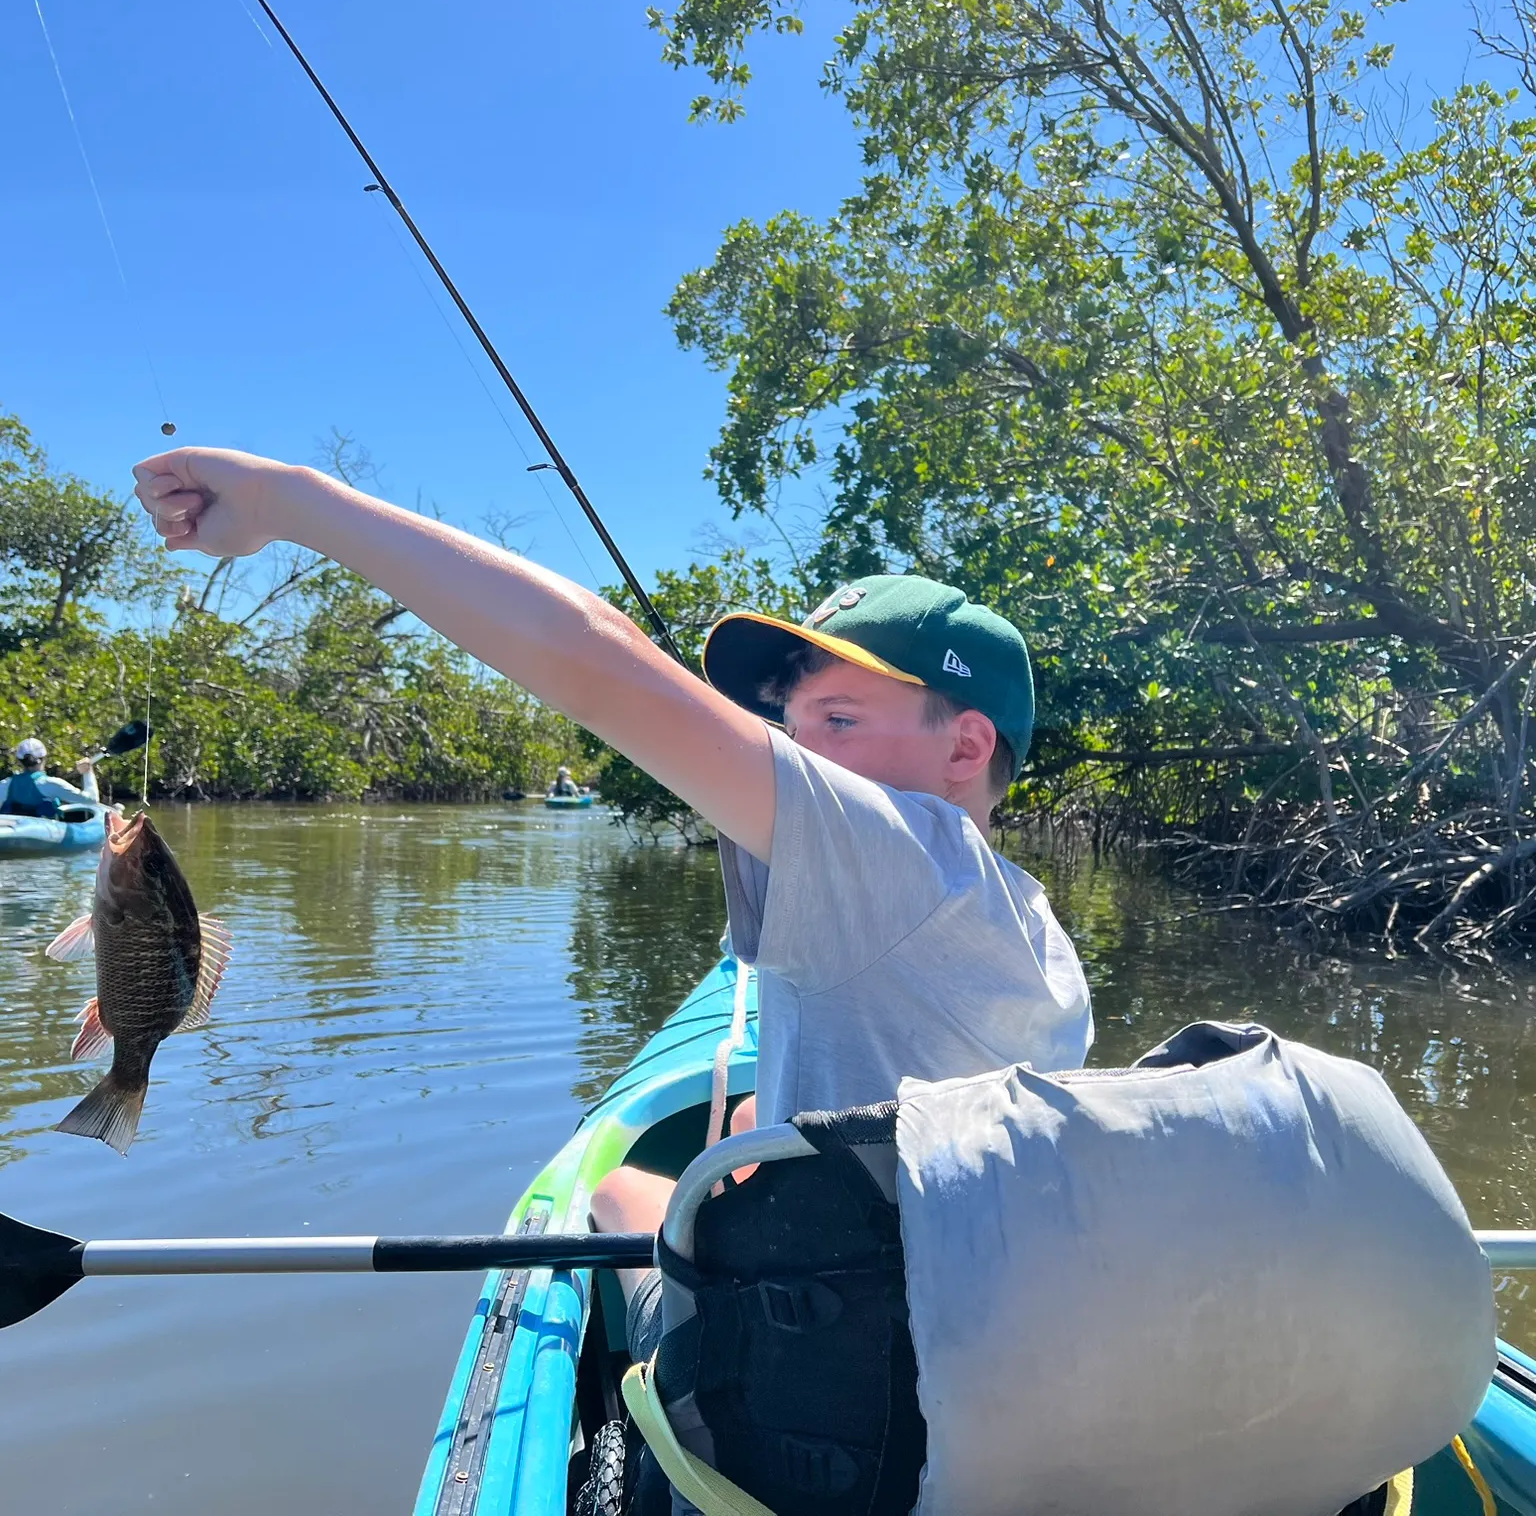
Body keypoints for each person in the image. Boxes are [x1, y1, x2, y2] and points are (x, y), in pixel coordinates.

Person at [127, 447, 1092, 1318]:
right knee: (741, 1134)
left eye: (837, 722)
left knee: (621, 1190)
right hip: (971, 1323)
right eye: (792, 731)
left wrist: (297, 503)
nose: (798, 755)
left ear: (966, 745)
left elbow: (593, 664)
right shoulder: (1022, 917)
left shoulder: (895, 857)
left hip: (831, 1375)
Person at [0, 739, 101, 819]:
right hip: (43, 838)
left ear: (19, 761)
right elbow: (91, 800)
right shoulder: (51, 784)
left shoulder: (5, 785)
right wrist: (87, 773)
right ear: (44, 758)